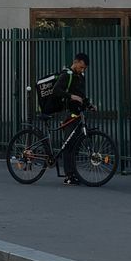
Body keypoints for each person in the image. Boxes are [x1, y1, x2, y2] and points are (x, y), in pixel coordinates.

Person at [50, 53, 90, 186]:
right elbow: (56, 90)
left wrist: (89, 104)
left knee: (75, 145)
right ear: (75, 62)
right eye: (81, 67)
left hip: (78, 113)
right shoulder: (67, 75)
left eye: (84, 68)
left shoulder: (80, 76)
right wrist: (71, 96)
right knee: (68, 145)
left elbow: (81, 95)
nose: (82, 70)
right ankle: (68, 176)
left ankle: (73, 173)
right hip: (68, 114)